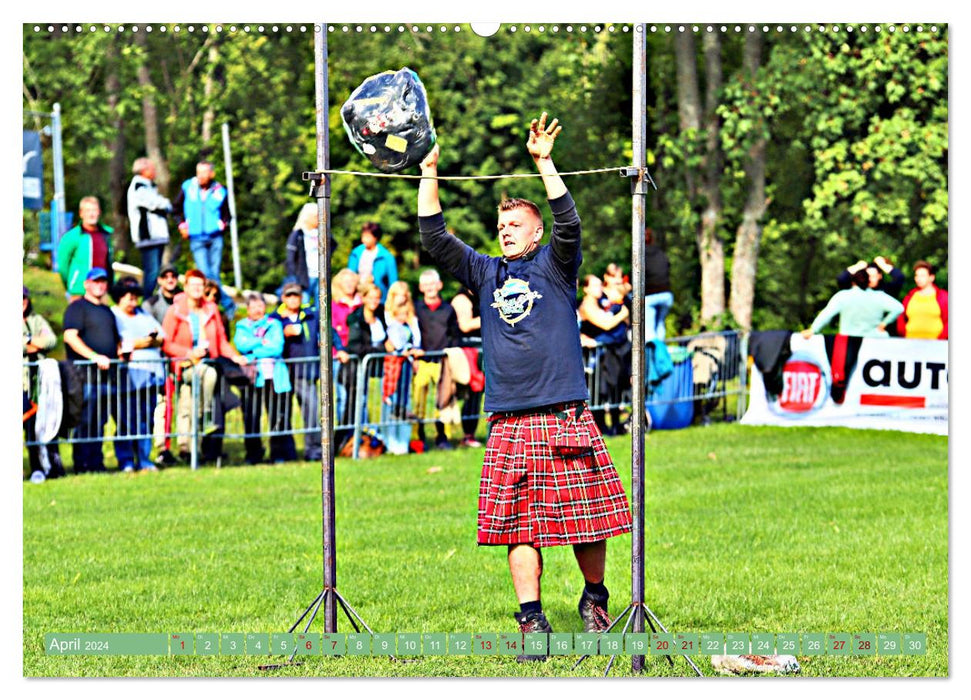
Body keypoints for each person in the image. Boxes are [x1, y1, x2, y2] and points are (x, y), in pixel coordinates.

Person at [417, 113, 633, 655]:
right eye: (501, 225)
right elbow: (434, 238)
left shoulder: (556, 267)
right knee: (519, 528)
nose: (505, 230)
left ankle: (594, 600)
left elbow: (569, 222)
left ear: (534, 232)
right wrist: (429, 172)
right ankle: (532, 619)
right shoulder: (487, 272)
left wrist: (545, 163)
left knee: (587, 519)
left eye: (515, 224)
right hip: (511, 417)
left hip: (563, 411)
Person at [161, 269, 247, 463]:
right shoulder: (175, 310)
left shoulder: (211, 309)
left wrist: (236, 357)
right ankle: (207, 415)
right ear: (186, 287)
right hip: (185, 364)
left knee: (187, 404)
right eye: (194, 285)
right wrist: (188, 353)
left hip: (208, 360)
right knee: (206, 375)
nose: (198, 289)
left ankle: (189, 449)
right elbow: (166, 342)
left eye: (200, 285)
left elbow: (221, 340)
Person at [62, 267, 121, 473]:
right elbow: (70, 336)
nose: (100, 285)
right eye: (96, 281)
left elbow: (115, 340)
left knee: (100, 422)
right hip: (84, 377)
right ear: (87, 284)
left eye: (103, 281)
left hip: (108, 378)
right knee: (85, 421)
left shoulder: (107, 311)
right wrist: (94, 357)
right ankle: (82, 463)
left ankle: (96, 463)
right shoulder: (77, 308)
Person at [110, 276, 165, 472]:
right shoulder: (113, 315)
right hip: (129, 374)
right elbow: (117, 343)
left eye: (135, 295)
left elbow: (161, 336)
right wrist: (142, 342)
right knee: (126, 418)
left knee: (146, 418)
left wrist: (147, 341)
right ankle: (125, 459)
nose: (133, 299)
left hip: (150, 374)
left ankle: (144, 458)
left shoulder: (143, 314)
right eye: (128, 295)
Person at [234, 293, 295, 464]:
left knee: (276, 416)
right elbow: (241, 344)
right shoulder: (242, 325)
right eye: (253, 307)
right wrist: (261, 341)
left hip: (274, 378)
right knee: (252, 416)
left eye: (260, 306)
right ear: (247, 309)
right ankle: (253, 454)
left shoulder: (273, 324)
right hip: (253, 378)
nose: (257, 310)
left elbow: (276, 347)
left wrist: (252, 353)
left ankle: (278, 454)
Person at [173, 161, 235, 317]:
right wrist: (182, 225)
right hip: (196, 238)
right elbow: (176, 208)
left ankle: (216, 307)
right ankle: (227, 304)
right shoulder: (188, 187)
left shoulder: (220, 191)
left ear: (211, 174)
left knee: (215, 274)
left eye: (204, 172)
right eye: (198, 172)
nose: (201, 176)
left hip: (215, 237)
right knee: (206, 275)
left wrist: (222, 224)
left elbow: (227, 215)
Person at [269, 282, 322, 462]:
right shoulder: (274, 318)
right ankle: (282, 454)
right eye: (289, 295)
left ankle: (314, 451)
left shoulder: (310, 315)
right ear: (283, 298)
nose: (293, 299)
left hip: (304, 371)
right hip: (281, 372)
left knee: (312, 410)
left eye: (296, 295)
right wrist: (283, 332)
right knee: (280, 413)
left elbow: (326, 333)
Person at [578, 273, 631, 436]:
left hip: (609, 355)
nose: (599, 288)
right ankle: (600, 427)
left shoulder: (603, 303)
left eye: (600, 285)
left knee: (614, 390)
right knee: (597, 394)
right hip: (593, 359)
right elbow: (606, 324)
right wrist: (623, 313)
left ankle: (614, 425)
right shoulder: (587, 306)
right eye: (595, 285)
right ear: (586, 289)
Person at [414, 268, 461, 450]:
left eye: (433, 284)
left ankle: (443, 437)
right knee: (419, 398)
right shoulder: (417, 308)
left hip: (442, 362)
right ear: (420, 287)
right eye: (426, 285)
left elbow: (455, 335)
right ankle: (418, 437)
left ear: (440, 285)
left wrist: (451, 355)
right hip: (423, 361)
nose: (430, 288)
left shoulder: (448, 309)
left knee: (443, 401)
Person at [23, 286, 64, 481]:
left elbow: (51, 340)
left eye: (24, 297)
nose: (21, 301)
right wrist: (29, 344)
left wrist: (27, 341)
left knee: (37, 428)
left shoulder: (36, 320)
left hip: (37, 386)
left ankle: (40, 467)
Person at [802, 268, 904, 339]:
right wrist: (884, 323)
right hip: (874, 341)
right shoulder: (879, 296)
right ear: (869, 281)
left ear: (853, 281)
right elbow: (899, 308)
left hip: (848, 342)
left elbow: (826, 314)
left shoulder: (842, 296)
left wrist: (813, 330)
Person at [382, 291, 423, 455]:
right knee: (394, 386)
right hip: (396, 363)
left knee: (405, 388)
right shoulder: (393, 327)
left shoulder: (407, 326)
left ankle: (400, 407)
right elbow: (397, 342)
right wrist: (405, 350)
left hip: (406, 363)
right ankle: (393, 404)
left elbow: (412, 341)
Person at [126, 157, 172, 297]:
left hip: (157, 237)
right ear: (144, 170)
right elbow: (159, 204)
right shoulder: (140, 187)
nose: (155, 171)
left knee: (155, 271)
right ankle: (147, 302)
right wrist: (166, 204)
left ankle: (154, 300)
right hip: (149, 237)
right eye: (152, 168)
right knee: (151, 272)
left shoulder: (149, 186)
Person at [56, 196, 114, 301]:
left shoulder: (106, 234)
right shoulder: (72, 237)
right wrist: (71, 284)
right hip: (79, 290)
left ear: (99, 212)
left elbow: (108, 262)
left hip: (101, 290)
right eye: (87, 210)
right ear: (81, 213)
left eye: (94, 210)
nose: (91, 214)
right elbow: (63, 266)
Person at [451, 285, 484, 448]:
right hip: (468, 351)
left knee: (480, 393)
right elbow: (465, 325)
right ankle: (467, 434)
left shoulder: (484, 294)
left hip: (484, 349)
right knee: (472, 392)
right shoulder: (461, 299)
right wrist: (492, 315)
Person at [347, 222, 398, 301]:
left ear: (376, 238)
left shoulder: (386, 256)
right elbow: (349, 274)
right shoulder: (356, 253)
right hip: (358, 296)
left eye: (367, 237)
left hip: (379, 299)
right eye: (363, 236)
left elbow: (393, 282)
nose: (363, 240)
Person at [897, 261, 948, 339]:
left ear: (931, 277)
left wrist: (941, 339)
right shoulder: (910, 296)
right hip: (910, 342)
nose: (918, 278)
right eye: (916, 275)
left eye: (922, 275)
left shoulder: (943, 296)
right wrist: (903, 334)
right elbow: (901, 318)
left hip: (935, 345)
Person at [285, 203, 322, 308]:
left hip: (320, 275)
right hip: (304, 277)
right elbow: (290, 258)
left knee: (321, 306)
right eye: (316, 216)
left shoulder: (321, 233)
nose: (318, 219)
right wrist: (294, 277)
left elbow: (332, 245)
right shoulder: (298, 234)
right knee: (304, 305)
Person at [643, 229, 673, 341]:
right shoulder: (661, 253)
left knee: (649, 331)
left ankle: (652, 357)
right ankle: (660, 353)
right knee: (660, 326)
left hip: (650, 295)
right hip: (666, 294)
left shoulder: (641, 255)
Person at [837, 256, 906, 298]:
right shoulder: (859, 290)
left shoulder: (887, 290)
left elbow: (899, 277)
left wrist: (882, 265)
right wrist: (858, 266)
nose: (870, 279)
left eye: (873, 276)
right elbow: (842, 279)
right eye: (867, 276)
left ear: (880, 276)